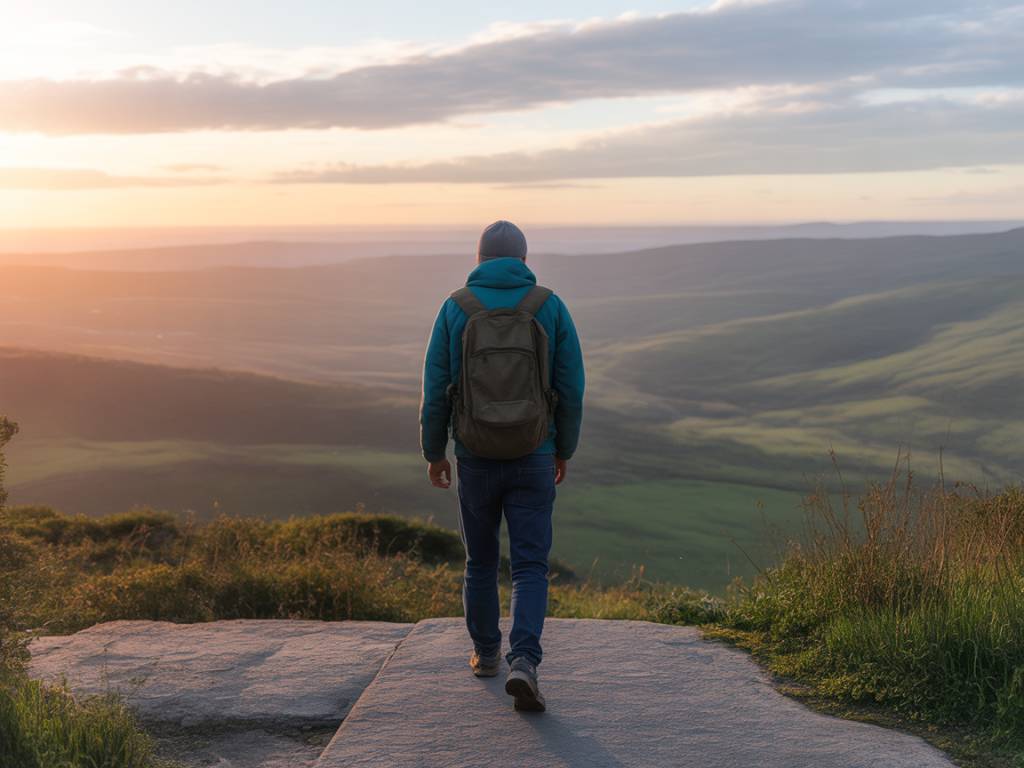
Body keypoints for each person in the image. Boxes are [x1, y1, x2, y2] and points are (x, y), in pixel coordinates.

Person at [420, 220, 585, 713]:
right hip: (535, 452)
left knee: (481, 561)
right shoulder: (548, 305)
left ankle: (487, 654)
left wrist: (435, 453)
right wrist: (563, 449)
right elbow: (571, 387)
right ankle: (525, 662)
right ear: (523, 260)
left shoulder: (457, 307)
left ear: (479, 260)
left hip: (475, 454)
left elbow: (435, 390)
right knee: (531, 564)